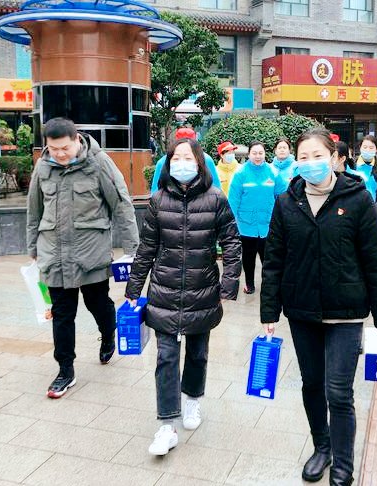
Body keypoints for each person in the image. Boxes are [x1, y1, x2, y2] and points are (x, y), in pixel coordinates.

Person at [261, 127, 377, 485]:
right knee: (311, 385)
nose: (311, 163)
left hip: (346, 312)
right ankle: (321, 448)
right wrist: (269, 311)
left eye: (318, 156)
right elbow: (274, 261)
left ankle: (343, 464)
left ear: (335, 158)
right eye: (303, 157)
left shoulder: (358, 199)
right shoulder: (287, 203)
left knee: (338, 392)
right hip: (302, 310)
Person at [125, 138, 241, 456]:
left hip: (203, 291)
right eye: (176, 158)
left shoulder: (215, 198)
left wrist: (228, 285)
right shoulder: (158, 200)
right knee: (165, 358)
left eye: (188, 157)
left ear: (200, 162)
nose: (181, 163)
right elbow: (147, 247)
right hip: (164, 290)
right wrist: (134, 288)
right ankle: (167, 425)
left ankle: (192, 400)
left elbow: (232, 242)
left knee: (198, 353)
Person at [27, 117, 140, 398]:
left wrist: (132, 250)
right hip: (54, 254)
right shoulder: (43, 166)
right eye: (53, 149)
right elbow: (34, 210)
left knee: (97, 304)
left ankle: (108, 333)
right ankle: (65, 370)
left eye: (64, 148)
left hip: (91, 253)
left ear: (77, 140)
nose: (59, 154)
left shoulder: (99, 163)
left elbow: (122, 205)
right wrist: (32, 248)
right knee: (62, 314)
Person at [228, 141, 288, 294]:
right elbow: (233, 200)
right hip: (246, 225)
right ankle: (249, 284)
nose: (258, 156)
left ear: (265, 154)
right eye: (254, 153)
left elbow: (283, 195)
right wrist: (231, 223)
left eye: (261, 153)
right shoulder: (241, 173)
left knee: (267, 258)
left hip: (268, 224)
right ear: (249, 154)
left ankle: (268, 285)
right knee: (248, 257)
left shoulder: (273, 172)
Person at [150, 127, 221, 194]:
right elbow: (216, 185)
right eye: (176, 159)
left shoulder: (164, 160)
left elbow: (155, 189)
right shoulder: (206, 159)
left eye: (188, 159)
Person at [347, 135, 377, 223]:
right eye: (365, 147)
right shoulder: (352, 165)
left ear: (376, 149)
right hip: (356, 210)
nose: (368, 150)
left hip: (376, 210)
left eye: (371, 147)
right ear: (360, 148)